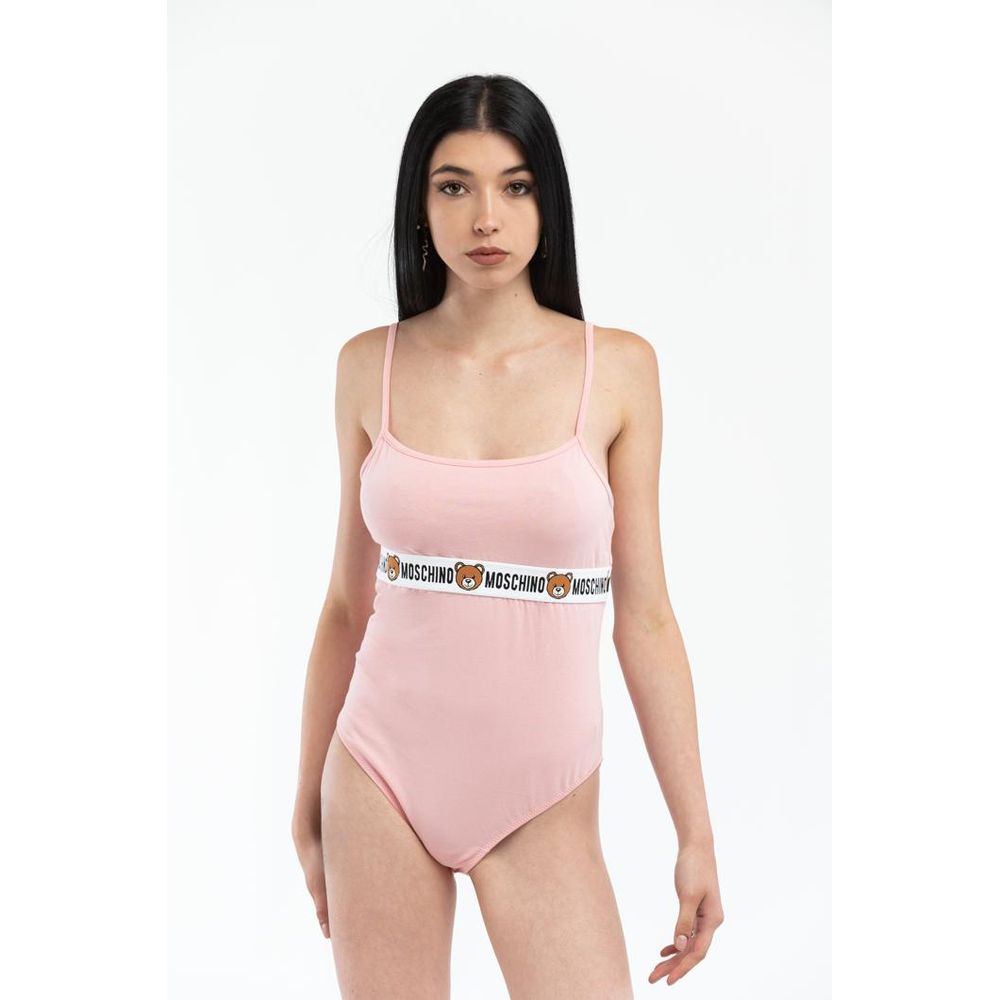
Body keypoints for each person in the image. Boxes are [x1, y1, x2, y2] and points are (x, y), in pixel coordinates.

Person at [291, 74, 723, 998]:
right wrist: (304, 802)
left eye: (515, 186)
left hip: (544, 793)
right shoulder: (369, 366)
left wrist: (695, 832)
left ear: (546, 201)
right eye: (454, 186)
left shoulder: (617, 371)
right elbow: (344, 607)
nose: (485, 216)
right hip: (377, 770)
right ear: (420, 203)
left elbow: (645, 614)